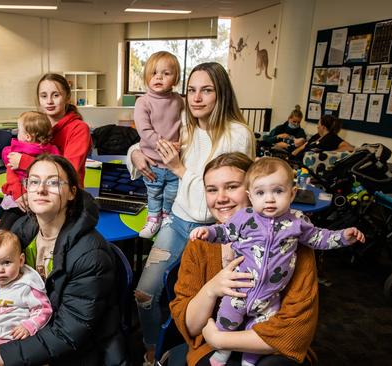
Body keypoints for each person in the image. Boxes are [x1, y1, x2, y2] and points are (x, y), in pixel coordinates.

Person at [127, 62, 255, 365]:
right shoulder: (189, 126)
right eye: (192, 90)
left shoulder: (237, 134)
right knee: (144, 294)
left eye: (206, 90)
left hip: (215, 232)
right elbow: (147, 142)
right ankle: (151, 349)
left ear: (221, 93)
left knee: (201, 304)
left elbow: (227, 198)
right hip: (178, 222)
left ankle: (189, 350)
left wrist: (179, 169)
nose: (196, 98)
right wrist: (134, 152)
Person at [0, 154, 127, 366]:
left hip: (74, 351)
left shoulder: (91, 254)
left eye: (53, 182)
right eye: (34, 181)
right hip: (26, 334)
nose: (41, 189)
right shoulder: (23, 230)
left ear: (71, 193)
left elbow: (69, 332)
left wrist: (1, 356)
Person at [189, 157, 365, 366]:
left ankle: (248, 361)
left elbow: (320, 237)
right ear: (251, 195)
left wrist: (344, 236)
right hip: (239, 293)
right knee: (226, 319)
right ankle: (222, 353)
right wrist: (207, 232)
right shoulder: (245, 218)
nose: (270, 199)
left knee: (261, 328)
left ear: (292, 193)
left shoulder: (297, 223)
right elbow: (224, 232)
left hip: (269, 298)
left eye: (278, 191)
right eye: (261, 193)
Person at [170, 152, 320, 366]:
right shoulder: (200, 246)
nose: (221, 197)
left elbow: (295, 330)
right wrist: (211, 289)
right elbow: (190, 326)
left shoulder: (294, 240)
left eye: (232, 187)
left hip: (270, 348)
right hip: (212, 350)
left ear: (254, 191)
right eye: (212, 190)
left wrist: (220, 339)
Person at [0, 73, 92, 230]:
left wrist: (25, 162)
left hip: (62, 201)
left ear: (68, 97)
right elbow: (12, 165)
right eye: (43, 96)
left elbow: (68, 171)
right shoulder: (35, 126)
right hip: (29, 196)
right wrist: (17, 191)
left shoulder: (79, 128)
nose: (49, 101)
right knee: (4, 239)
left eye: (56, 95)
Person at [134, 51, 184, 239]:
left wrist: (181, 143)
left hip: (173, 163)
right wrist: (164, 146)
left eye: (166, 73)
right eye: (154, 73)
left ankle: (166, 218)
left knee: (171, 193)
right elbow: (144, 131)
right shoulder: (143, 102)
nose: (159, 77)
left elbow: (184, 126)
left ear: (175, 78)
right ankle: (153, 219)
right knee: (154, 193)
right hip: (153, 162)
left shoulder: (178, 101)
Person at [0, 111, 60, 230]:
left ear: (28, 137)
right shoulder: (53, 151)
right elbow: (57, 170)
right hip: (45, 199)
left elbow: (11, 175)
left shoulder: (15, 152)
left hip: (19, 198)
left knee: (6, 224)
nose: (17, 134)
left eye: (19, 131)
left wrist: (18, 193)